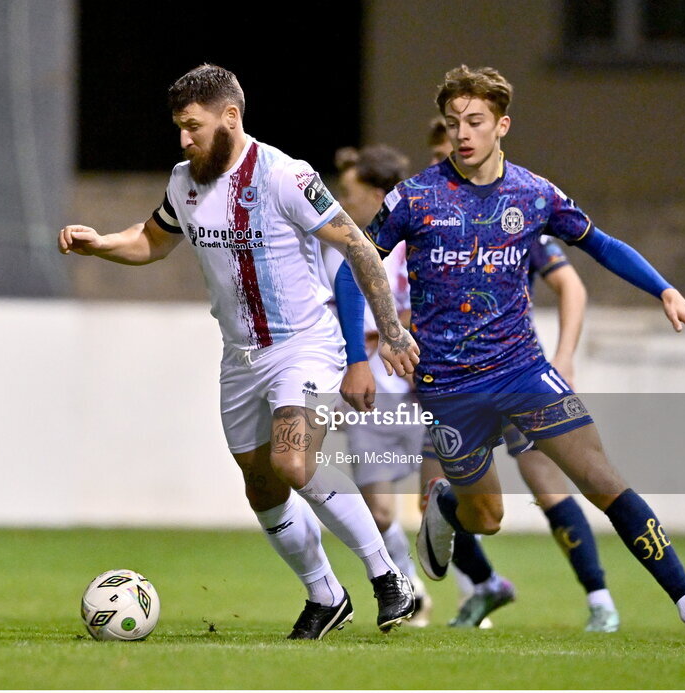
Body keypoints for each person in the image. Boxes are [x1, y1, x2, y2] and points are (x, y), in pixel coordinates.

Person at [364, 65, 685, 645]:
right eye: (453, 123)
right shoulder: (414, 197)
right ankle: (446, 507)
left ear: (502, 125)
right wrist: (381, 335)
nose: (463, 133)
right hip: (449, 387)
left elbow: (602, 245)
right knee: (486, 519)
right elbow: (358, 265)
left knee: (601, 479)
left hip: (523, 371)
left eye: (475, 122)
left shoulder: (534, 193)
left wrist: (666, 291)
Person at [58, 64, 420, 640]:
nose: (184, 139)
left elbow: (358, 246)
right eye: (179, 128)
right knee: (263, 485)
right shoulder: (185, 181)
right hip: (240, 357)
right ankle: (326, 596)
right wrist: (101, 243)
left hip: (303, 345)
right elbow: (152, 241)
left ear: (231, 116)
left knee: (293, 462)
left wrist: (388, 333)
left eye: (193, 126)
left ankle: (387, 577)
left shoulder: (285, 176)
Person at [422, 121, 620, 632]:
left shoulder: (513, 216)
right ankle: (485, 587)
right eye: (442, 153)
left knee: (547, 484)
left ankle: (599, 599)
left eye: (456, 147)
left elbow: (571, 286)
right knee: (440, 495)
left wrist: (565, 355)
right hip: (450, 379)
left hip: (509, 371)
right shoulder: (426, 214)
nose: (452, 161)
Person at [334, 144, 433, 626]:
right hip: (371, 398)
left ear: (375, 195)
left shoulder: (413, 246)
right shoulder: (338, 244)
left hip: (419, 396)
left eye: (349, 193)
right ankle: (408, 582)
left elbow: (422, 312)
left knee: (448, 502)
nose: (342, 202)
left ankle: (483, 586)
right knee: (381, 513)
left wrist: (383, 328)